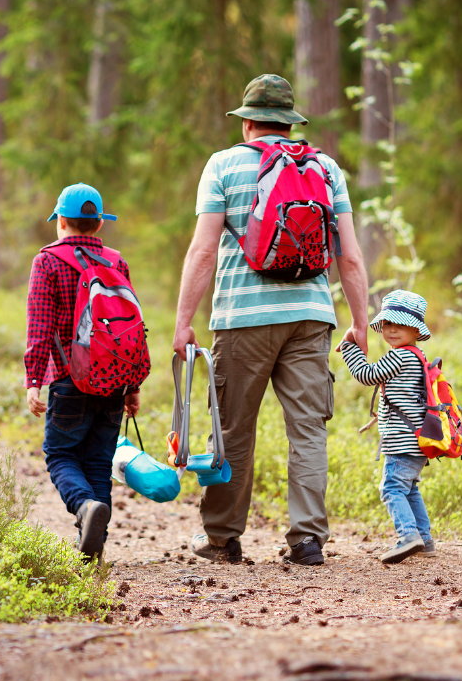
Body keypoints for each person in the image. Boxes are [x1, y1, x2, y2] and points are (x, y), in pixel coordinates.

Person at [172, 74, 371, 565]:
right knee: (308, 429)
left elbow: (203, 252)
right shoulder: (325, 168)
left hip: (243, 319)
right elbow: (349, 258)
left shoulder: (222, 166)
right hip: (311, 316)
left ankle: (222, 538)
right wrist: (360, 323)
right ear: (289, 123)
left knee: (234, 429)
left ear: (248, 124)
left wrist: (183, 322)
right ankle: (307, 540)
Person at [25, 183, 142, 562]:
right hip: (114, 380)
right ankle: (93, 549)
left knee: (59, 455)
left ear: (61, 221)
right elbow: (132, 327)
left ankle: (82, 508)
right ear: (98, 225)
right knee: (96, 461)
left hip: (68, 379)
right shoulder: (116, 261)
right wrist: (132, 384)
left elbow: (40, 326)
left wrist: (33, 381)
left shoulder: (48, 261)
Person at [339, 290, 437, 563]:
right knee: (409, 488)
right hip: (417, 440)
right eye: (388, 324)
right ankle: (425, 539)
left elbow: (366, 375)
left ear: (416, 329)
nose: (393, 330)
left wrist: (349, 347)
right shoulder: (417, 355)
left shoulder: (399, 357)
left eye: (401, 325)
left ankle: (408, 536)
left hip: (402, 440)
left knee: (392, 488)